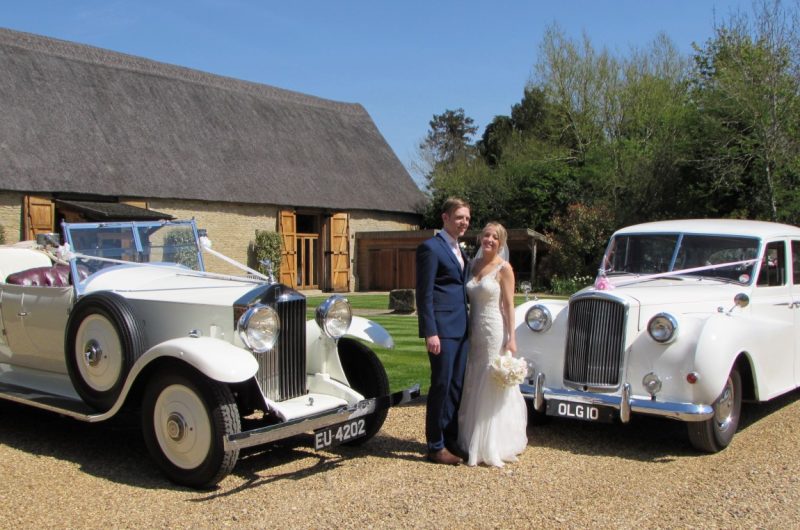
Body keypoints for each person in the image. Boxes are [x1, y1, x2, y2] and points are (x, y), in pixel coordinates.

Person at [458, 222, 527, 467]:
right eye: (486, 235)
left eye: (495, 237)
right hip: (472, 330)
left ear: (501, 242)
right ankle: (468, 437)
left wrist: (512, 337)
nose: (489, 240)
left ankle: (489, 443)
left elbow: (509, 305)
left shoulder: (504, 268)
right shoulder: (472, 265)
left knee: (489, 380)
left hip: (492, 330)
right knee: (473, 377)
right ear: (480, 238)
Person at [415, 197, 471, 465]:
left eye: (467, 219)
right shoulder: (431, 248)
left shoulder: (461, 250)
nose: (464, 223)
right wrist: (430, 332)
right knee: (441, 385)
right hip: (442, 330)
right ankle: (435, 446)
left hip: (462, 329)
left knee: (456, 387)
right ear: (445, 217)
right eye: (459, 217)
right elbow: (424, 295)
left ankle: (450, 439)